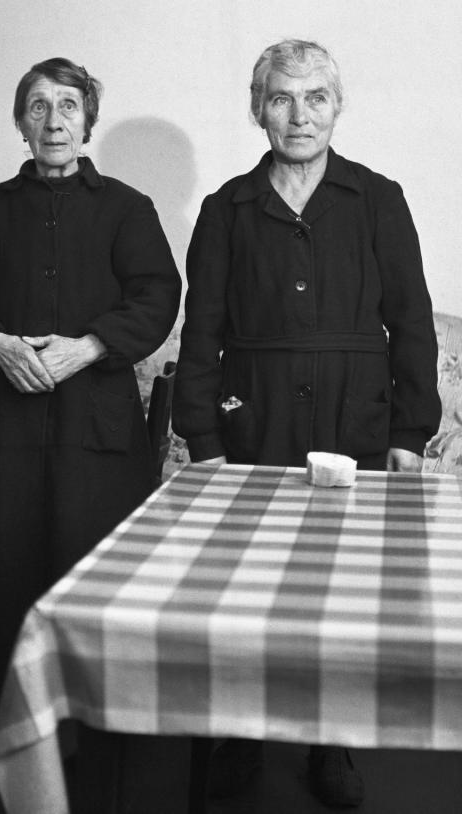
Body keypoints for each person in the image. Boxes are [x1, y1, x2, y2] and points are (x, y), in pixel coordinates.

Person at [172, 39, 441, 808]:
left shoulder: (378, 198)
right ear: (258, 108)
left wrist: (408, 433)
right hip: (251, 417)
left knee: (343, 587)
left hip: (355, 418)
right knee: (246, 586)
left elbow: (412, 322)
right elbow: (202, 332)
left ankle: (331, 742)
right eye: (282, 98)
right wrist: (206, 444)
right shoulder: (227, 208)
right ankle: (243, 735)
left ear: (337, 106)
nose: (299, 115)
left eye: (315, 96)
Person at [0, 58, 181, 722]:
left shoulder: (128, 209)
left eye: (67, 106)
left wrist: (89, 347)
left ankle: (97, 712)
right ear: (21, 124)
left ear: (87, 120)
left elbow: (158, 295)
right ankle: (7, 717)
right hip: (5, 422)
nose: (54, 121)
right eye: (37, 107)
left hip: (93, 424)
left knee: (92, 565)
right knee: (3, 567)